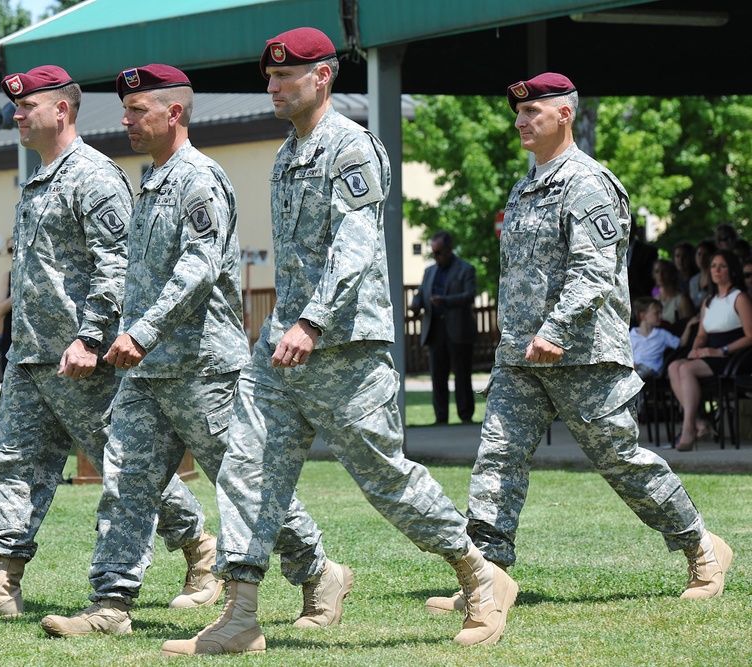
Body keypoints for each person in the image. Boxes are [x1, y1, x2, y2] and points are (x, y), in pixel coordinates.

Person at [161, 28, 516, 657]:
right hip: (283, 351)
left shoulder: (351, 149)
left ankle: (479, 578)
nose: (272, 86)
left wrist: (313, 321)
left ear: (321, 77)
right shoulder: (286, 154)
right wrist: (285, 326)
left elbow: (356, 247)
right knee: (245, 467)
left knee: (386, 480)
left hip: (344, 348)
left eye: (285, 76)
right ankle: (242, 614)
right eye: (269, 77)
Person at [37, 64, 338, 638]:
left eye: (138, 111)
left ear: (173, 113)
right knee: (125, 480)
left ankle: (318, 572)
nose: (126, 121)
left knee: (244, 482)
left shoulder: (200, 178)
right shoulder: (150, 181)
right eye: (125, 111)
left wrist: (141, 331)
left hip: (203, 367)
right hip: (147, 371)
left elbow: (197, 270)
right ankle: (112, 604)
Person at [425, 72, 732, 618]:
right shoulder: (525, 184)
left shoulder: (588, 183)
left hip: (582, 354)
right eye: (517, 113)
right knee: (497, 458)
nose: (520, 121)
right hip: (522, 357)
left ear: (564, 114)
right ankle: (488, 579)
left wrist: (556, 329)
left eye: (531, 112)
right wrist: (521, 340)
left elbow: (593, 271)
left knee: (620, 461)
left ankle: (702, 549)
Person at [0, 65, 213, 622]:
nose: (17, 115)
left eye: (27, 106)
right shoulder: (38, 178)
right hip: (31, 358)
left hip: (84, 362)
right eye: (15, 106)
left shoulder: (94, 176)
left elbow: (116, 265)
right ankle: (2, 584)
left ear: (61, 109)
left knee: (126, 466)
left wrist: (90, 337)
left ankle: (200, 550)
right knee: (12, 465)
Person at [667, 249, 752, 451]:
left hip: (733, 355)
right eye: (713, 266)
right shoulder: (708, 301)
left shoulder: (740, 298)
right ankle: (699, 422)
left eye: (722, 266)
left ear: (732, 270)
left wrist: (721, 350)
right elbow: (702, 335)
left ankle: (688, 427)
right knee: (674, 366)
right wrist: (695, 349)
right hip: (710, 352)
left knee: (686, 369)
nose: (717, 270)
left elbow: (750, 336)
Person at [410, 230, 477, 424]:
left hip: (458, 330)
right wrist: (416, 303)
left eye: (439, 252)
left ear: (449, 249)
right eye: (433, 252)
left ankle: (466, 417)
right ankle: (441, 418)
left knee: (462, 376)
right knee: (438, 376)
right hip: (435, 330)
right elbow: (421, 292)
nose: (436, 256)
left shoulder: (466, 269)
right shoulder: (429, 271)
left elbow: (469, 296)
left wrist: (445, 301)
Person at [631, 297, 680, 380]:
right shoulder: (631, 335)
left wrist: (688, 327)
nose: (661, 316)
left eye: (660, 313)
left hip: (652, 369)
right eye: (657, 313)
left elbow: (680, 343)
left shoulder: (662, 334)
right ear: (643, 316)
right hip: (636, 368)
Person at [652, 258, 694, 336]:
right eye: (657, 272)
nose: (660, 275)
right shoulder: (655, 300)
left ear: (671, 273)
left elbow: (689, 327)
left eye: (664, 271)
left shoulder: (682, 300)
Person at [626, 215, 657, 304]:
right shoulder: (614, 251)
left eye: (630, 227)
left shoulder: (648, 252)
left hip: (643, 298)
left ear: (635, 229)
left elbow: (651, 279)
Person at [0, 236, 14, 376]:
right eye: (10, 249)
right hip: (10, 334)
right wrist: (15, 296)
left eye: (15, 248)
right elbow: (0, 310)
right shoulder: (7, 277)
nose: (13, 252)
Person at [689, 239, 716, 308]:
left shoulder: (716, 278)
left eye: (705, 255)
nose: (701, 258)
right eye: (699, 254)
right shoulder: (693, 280)